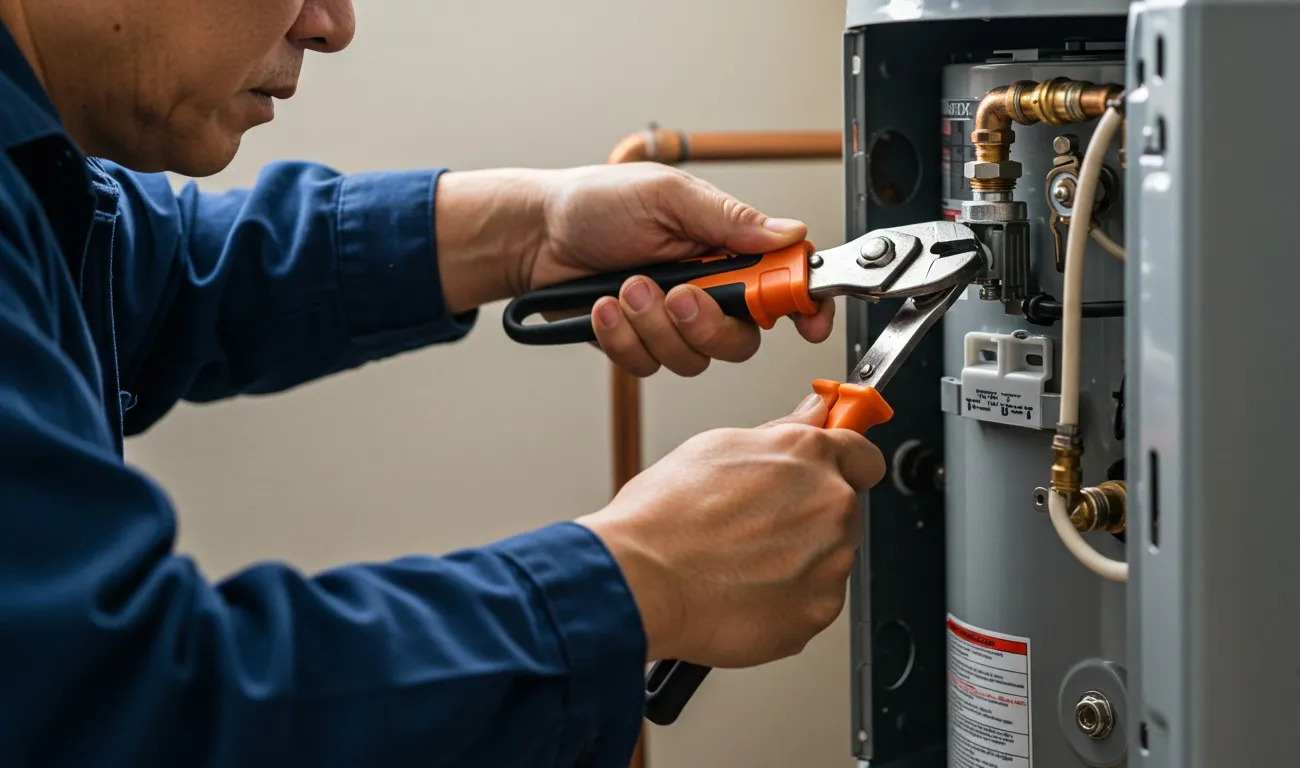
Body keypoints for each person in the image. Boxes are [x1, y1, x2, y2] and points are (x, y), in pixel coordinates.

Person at [0, 1, 887, 766]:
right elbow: (128, 714)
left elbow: (160, 274)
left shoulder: (32, 176)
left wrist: (536, 230)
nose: (333, 26)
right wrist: (639, 579)